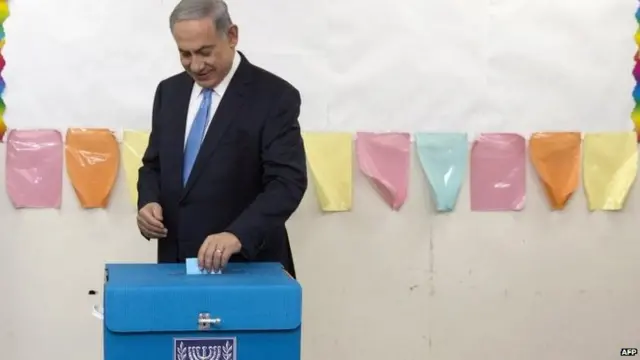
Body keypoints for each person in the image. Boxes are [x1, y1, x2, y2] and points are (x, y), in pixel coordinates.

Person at [136, 0, 307, 278]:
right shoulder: (169, 92)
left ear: (231, 36)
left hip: (246, 266)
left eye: (205, 52)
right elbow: (153, 165)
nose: (196, 65)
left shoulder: (275, 96)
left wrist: (237, 234)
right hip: (176, 266)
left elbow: (287, 182)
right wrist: (148, 201)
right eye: (185, 54)